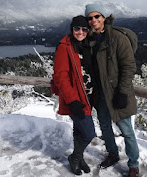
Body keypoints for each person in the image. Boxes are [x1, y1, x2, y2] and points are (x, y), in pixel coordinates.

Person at [85, 4, 140, 177]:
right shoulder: (92, 40)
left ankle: (133, 165)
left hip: (117, 93)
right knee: (105, 127)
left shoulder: (117, 37)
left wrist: (123, 92)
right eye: (90, 18)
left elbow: (129, 66)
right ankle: (113, 154)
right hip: (101, 93)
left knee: (127, 131)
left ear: (104, 17)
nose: (94, 20)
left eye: (97, 16)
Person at [53, 15, 96, 175]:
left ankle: (80, 158)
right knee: (89, 133)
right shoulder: (65, 47)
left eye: (84, 29)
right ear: (72, 29)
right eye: (77, 28)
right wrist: (72, 101)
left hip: (88, 96)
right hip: (76, 100)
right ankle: (75, 157)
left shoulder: (84, 46)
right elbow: (61, 77)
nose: (80, 32)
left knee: (79, 130)